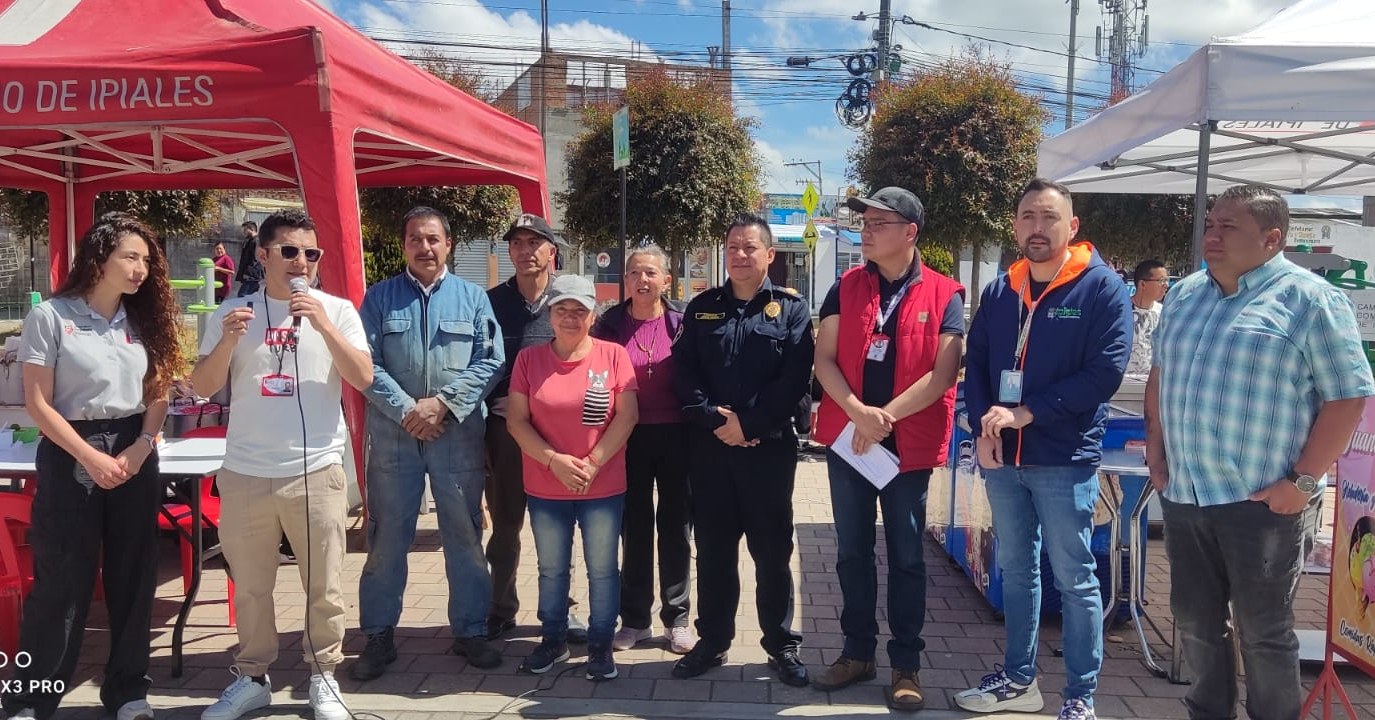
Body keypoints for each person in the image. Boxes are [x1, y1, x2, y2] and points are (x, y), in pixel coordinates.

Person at [1146, 185, 1375, 720]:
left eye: (1228, 226)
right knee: (1196, 622)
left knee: (1264, 631)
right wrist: (1156, 444)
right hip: (1187, 491)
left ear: (1272, 238)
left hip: (1262, 500)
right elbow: (1161, 373)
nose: (1212, 235)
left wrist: (1302, 482)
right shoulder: (1184, 295)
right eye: (1210, 224)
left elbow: (1347, 396)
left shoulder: (1310, 300)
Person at [957, 178, 1131, 720]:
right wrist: (983, 430)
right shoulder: (1000, 289)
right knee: (1017, 567)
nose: (1038, 227)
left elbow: (1104, 373)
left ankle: (1080, 695)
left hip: (1062, 457)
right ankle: (1018, 681)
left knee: (1075, 577)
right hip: (1003, 459)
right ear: (1015, 225)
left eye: (1049, 217)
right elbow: (979, 360)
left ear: (1071, 226)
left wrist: (1030, 412)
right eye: (1028, 216)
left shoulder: (1101, 288)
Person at [191, 209, 372, 720]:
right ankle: (253, 677)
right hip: (246, 470)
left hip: (315, 469)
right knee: (250, 586)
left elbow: (363, 377)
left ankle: (324, 677)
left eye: (311, 253)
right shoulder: (234, 313)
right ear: (264, 254)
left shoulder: (336, 310)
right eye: (290, 251)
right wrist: (226, 340)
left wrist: (320, 322)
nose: (302, 262)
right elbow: (201, 388)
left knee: (324, 584)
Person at [2, 214, 182, 720]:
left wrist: (143, 445)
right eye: (130, 257)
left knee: (133, 575)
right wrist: (90, 456)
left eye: (146, 260)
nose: (140, 269)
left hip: (135, 446)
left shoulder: (144, 319)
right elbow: (38, 403)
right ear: (99, 258)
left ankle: (127, 692)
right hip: (71, 448)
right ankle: (31, 698)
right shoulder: (52, 316)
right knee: (62, 579)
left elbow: (158, 390)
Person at [810, 188, 965, 711]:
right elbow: (824, 359)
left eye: (879, 222)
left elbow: (943, 373)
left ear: (910, 233)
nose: (867, 230)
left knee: (905, 557)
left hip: (906, 447)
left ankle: (907, 664)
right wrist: (859, 412)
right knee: (852, 553)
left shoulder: (946, 294)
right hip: (851, 442)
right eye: (865, 222)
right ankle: (857, 653)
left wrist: (884, 419)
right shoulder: (845, 287)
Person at [351, 207, 506, 680]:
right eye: (416, 239)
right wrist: (407, 411)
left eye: (434, 239)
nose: (426, 248)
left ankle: (470, 630)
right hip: (395, 439)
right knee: (386, 539)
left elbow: (490, 360)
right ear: (404, 246)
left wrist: (441, 404)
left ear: (449, 243)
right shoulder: (378, 299)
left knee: (464, 534)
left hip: (456, 435)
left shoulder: (473, 298)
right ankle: (378, 636)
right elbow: (364, 365)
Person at [670, 214, 815, 686]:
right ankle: (712, 641)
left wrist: (749, 425)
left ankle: (780, 645)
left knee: (772, 552)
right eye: (732, 247)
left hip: (768, 451)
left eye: (750, 248)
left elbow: (795, 378)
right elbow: (684, 373)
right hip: (711, 451)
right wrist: (717, 422)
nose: (739, 255)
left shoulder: (791, 311)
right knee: (712, 552)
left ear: (769, 255)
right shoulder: (703, 307)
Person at [506, 274, 638, 681]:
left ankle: (600, 644)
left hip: (603, 484)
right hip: (547, 485)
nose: (569, 317)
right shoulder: (529, 360)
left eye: (579, 310)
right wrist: (554, 462)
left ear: (592, 315)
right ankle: (553, 639)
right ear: (550, 313)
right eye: (561, 309)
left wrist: (594, 463)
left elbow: (627, 415)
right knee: (551, 569)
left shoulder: (613, 356)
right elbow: (516, 421)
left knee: (602, 568)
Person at [484, 213, 587, 643]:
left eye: (534, 243)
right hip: (504, 433)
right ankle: (500, 608)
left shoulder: (566, 302)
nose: (525, 251)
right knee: (505, 526)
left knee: (558, 526)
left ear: (552, 252)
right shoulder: (488, 302)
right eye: (517, 244)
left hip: (558, 435)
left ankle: (562, 610)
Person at [590, 245, 695, 655]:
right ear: (626, 280)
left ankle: (678, 617)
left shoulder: (682, 322)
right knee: (633, 528)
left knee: (676, 527)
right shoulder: (609, 324)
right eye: (635, 273)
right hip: (626, 437)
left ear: (667, 280)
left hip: (677, 436)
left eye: (651, 273)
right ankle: (634, 618)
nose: (643, 280)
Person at [1124, 259, 1167, 380]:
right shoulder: (1121, 310)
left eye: (1166, 280)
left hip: (1152, 383)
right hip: (1124, 384)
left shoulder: (1164, 312)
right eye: (1161, 280)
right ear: (1143, 284)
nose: (1166, 285)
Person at [234, 221, 263, 298]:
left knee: (242, 297)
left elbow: (256, 259)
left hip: (252, 276)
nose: (243, 232)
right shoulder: (249, 241)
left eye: (245, 230)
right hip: (250, 276)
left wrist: (249, 272)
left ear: (251, 229)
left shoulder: (256, 241)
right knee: (249, 298)